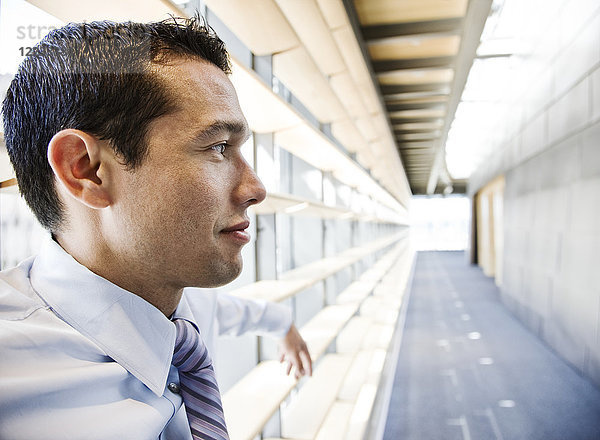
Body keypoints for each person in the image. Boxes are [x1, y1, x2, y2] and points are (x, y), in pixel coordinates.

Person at [0, 16, 311, 440]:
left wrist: (285, 327)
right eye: (218, 147)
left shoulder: (184, 308)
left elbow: (240, 313)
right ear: (86, 171)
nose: (255, 189)